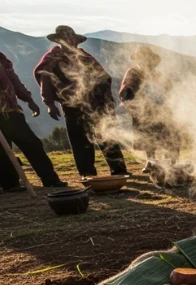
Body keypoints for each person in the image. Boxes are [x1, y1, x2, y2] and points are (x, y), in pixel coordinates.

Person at [34, 25, 128, 177]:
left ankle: (119, 169)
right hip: (71, 105)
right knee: (80, 139)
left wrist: (104, 95)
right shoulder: (51, 60)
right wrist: (50, 104)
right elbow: (46, 82)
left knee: (106, 134)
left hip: (96, 103)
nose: (72, 43)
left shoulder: (85, 56)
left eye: (73, 40)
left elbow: (103, 76)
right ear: (59, 41)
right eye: (68, 40)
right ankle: (87, 173)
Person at [0, 50, 65, 191]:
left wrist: (28, 99)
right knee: (2, 151)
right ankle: (10, 184)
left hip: (11, 111)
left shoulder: (1, 58)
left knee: (33, 144)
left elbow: (13, 80)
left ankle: (50, 179)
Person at [119, 46, 180, 171]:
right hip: (142, 109)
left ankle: (170, 163)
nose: (144, 62)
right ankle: (151, 162)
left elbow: (169, 90)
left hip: (161, 110)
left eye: (147, 59)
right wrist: (131, 101)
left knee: (167, 135)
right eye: (141, 60)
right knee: (147, 136)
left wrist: (165, 103)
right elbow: (127, 88)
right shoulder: (133, 72)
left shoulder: (159, 75)